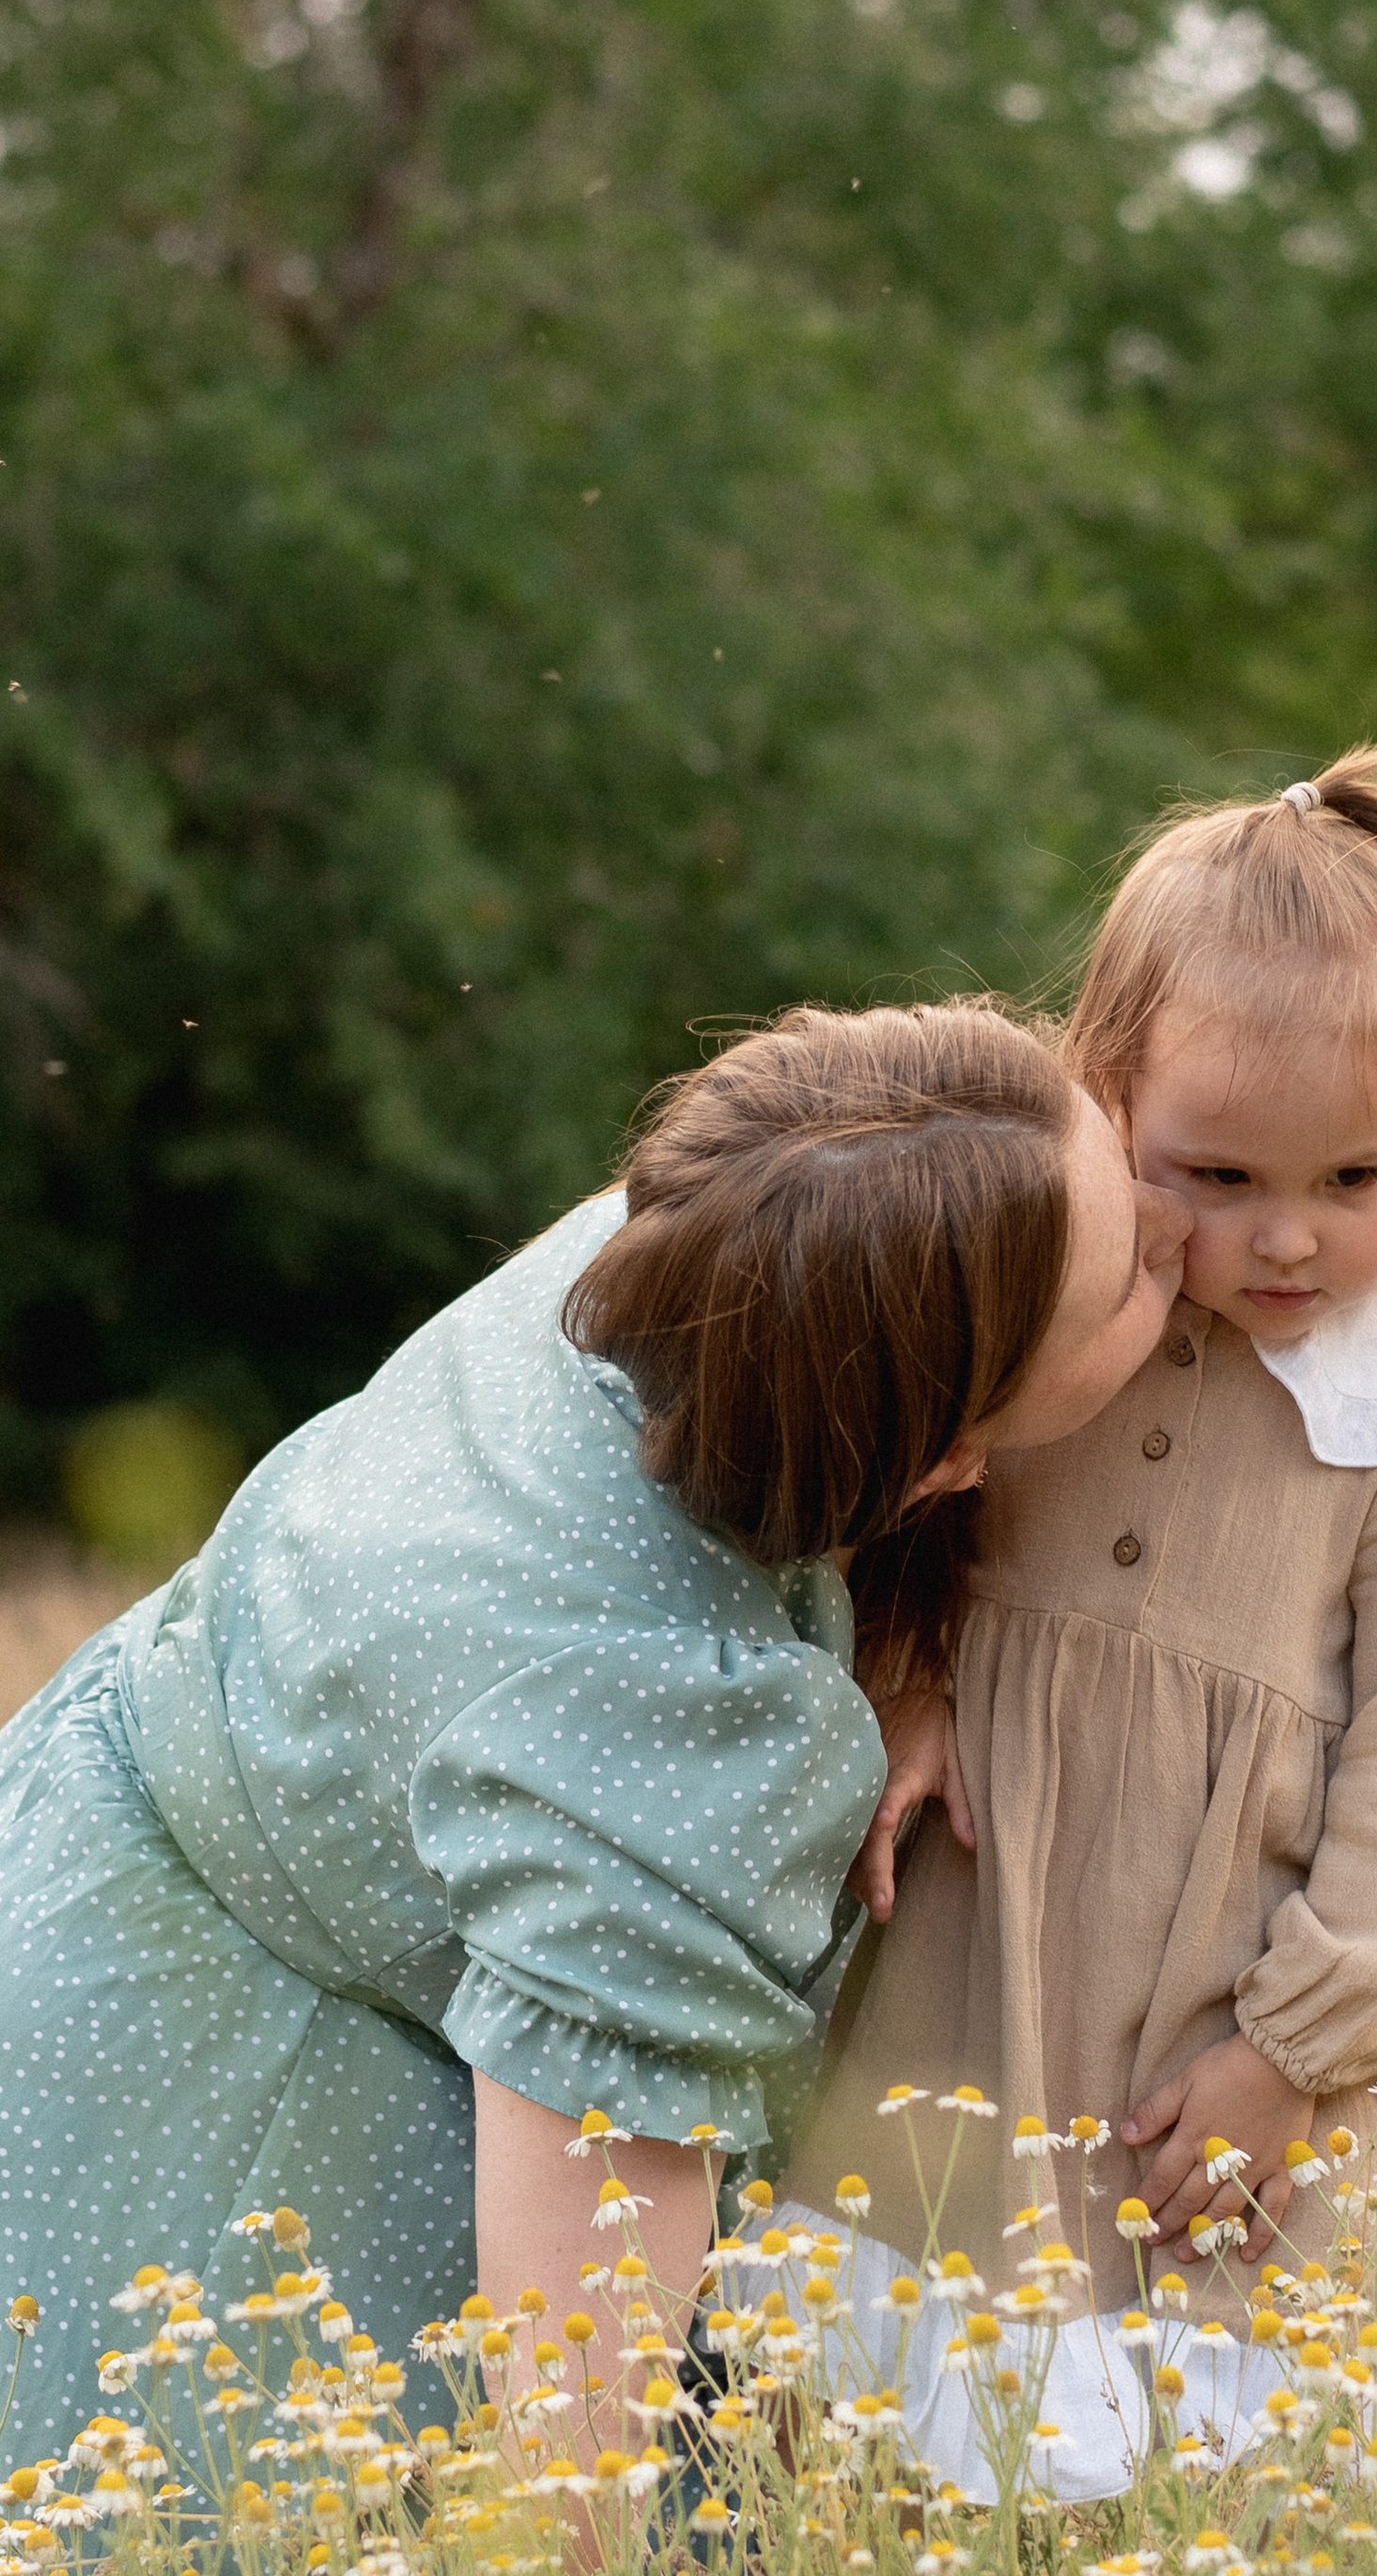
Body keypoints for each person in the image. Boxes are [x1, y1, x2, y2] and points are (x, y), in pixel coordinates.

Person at [0, 1003, 1187, 2473]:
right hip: (225, 2124)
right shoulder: (668, 1740)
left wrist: (910, 1640)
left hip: (75, 1854)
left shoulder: (692, 1247)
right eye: (1130, 1269)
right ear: (946, 1457)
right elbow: (579, 2369)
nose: (1171, 1226)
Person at [751, 745, 1377, 2495]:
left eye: (1354, 1179)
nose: (1285, 1238)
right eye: (1217, 1172)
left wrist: (1293, 2055)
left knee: (1205, 2451)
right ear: (1106, 1098)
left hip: (1215, 2014)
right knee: (910, 2426)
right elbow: (907, 1512)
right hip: (981, 1947)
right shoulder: (1056, 1313)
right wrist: (919, 1672)